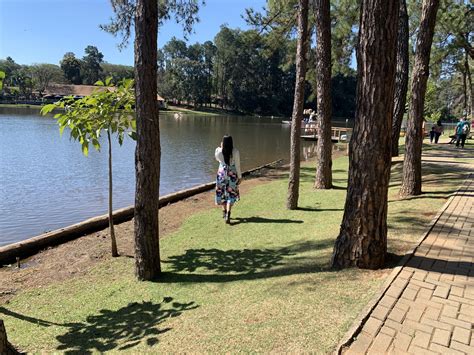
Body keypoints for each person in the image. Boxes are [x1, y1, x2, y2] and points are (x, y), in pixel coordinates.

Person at [215, 135, 242, 224]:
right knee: (231, 194)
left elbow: (217, 158)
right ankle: (228, 214)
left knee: (221, 193)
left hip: (221, 173)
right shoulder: (235, 151)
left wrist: (221, 146)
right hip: (232, 174)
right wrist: (240, 177)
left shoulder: (219, 151)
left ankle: (224, 211)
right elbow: (237, 165)